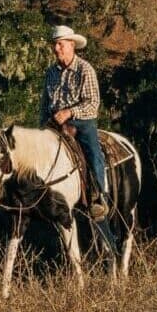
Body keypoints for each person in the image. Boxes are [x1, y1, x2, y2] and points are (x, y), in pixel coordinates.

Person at [41, 24, 109, 217]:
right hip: (55, 122)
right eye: (54, 45)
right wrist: (42, 125)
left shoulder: (85, 69)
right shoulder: (50, 72)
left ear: (71, 45)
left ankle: (98, 196)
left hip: (81, 121)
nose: (56, 49)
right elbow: (44, 103)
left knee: (92, 152)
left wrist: (70, 112)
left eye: (60, 44)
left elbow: (92, 104)